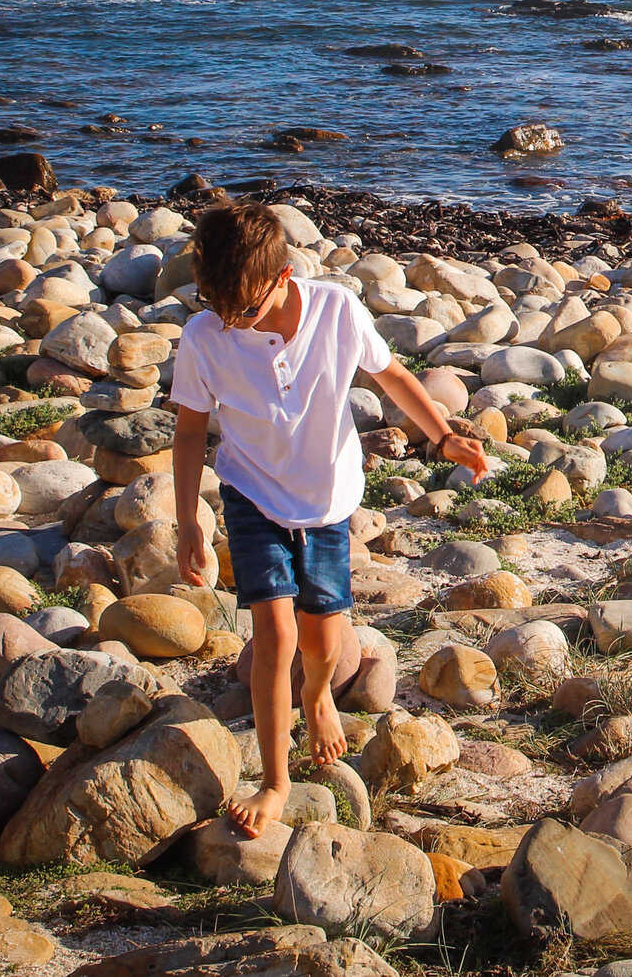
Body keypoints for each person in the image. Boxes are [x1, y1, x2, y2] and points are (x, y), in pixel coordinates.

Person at [168, 201, 488, 838]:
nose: (231, 321)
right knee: (276, 636)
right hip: (252, 494)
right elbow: (188, 432)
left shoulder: (337, 312)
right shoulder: (207, 335)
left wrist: (442, 437)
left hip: (327, 502)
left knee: (322, 642)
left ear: (285, 276)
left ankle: (317, 696)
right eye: (218, 306)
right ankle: (276, 781)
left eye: (246, 310)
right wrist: (189, 524)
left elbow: (392, 376)